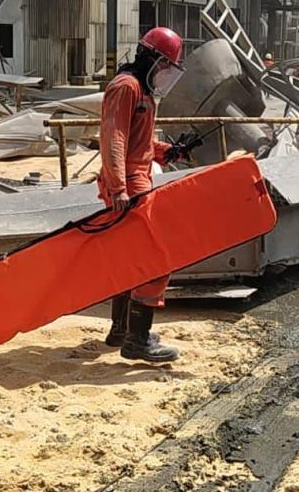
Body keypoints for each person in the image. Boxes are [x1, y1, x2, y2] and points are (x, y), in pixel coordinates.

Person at [97, 28, 186, 363]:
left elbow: (140, 143)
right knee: (155, 259)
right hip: (128, 187)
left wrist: (168, 152)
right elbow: (113, 138)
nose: (165, 74)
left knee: (128, 258)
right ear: (153, 58)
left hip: (135, 180)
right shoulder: (126, 87)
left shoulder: (142, 91)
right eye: (165, 66)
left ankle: (122, 330)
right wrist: (119, 188)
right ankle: (137, 341)